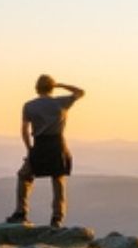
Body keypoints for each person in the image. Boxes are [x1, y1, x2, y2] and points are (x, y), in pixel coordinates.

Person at [8, 75, 85, 227]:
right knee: (58, 180)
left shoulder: (29, 106)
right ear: (51, 87)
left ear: (36, 88)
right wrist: (60, 84)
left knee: (24, 176)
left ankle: (21, 212)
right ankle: (57, 218)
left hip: (40, 144)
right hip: (58, 143)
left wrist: (30, 150)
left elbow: (24, 130)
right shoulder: (61, 103)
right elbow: (80, 92)